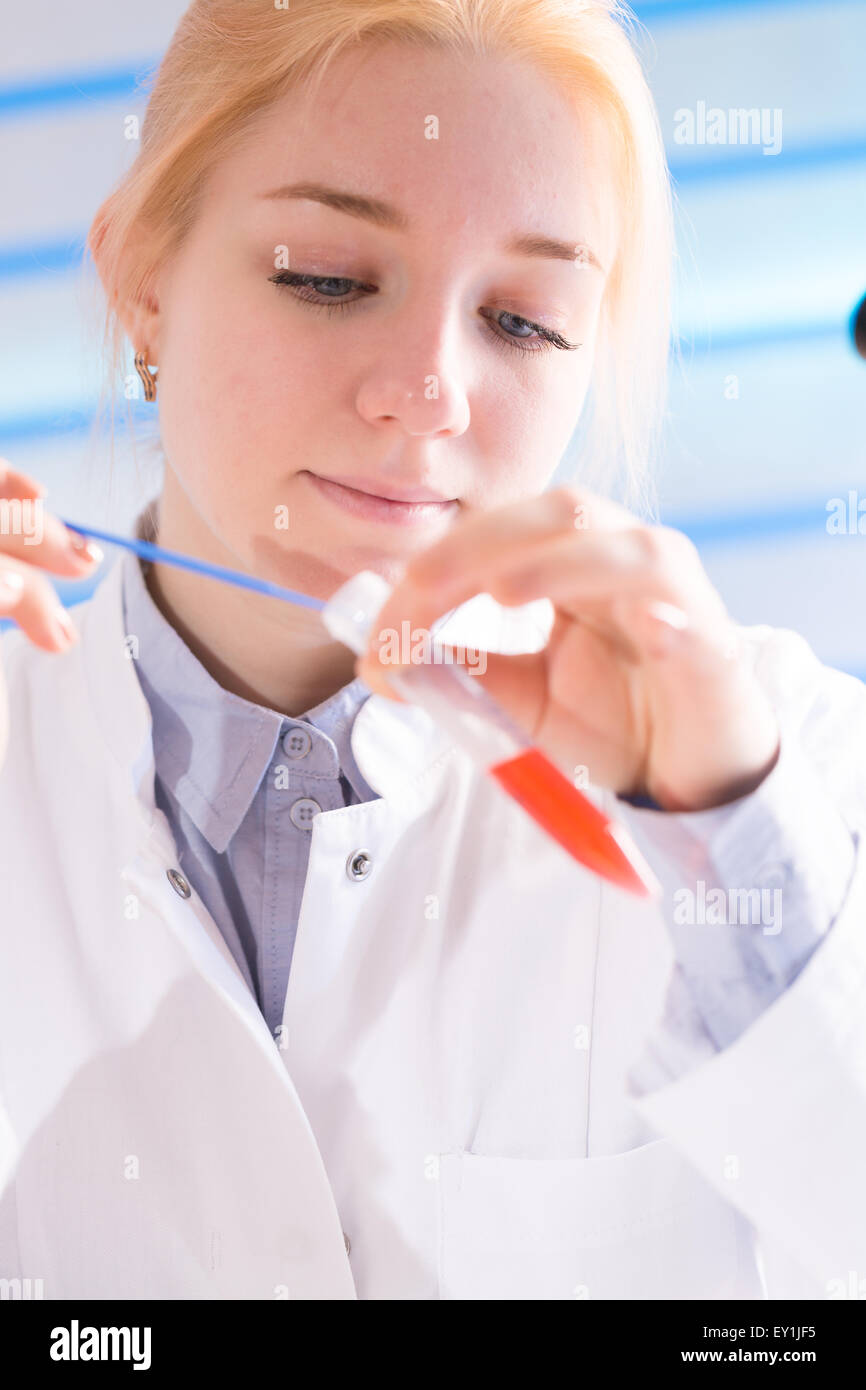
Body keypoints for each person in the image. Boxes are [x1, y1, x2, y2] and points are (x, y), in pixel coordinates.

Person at [1, 0, 864, 1302]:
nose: (429, 390)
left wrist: (735, 846)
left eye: (521, 319)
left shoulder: (786, 767)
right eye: (326, 277)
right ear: (142, 279)